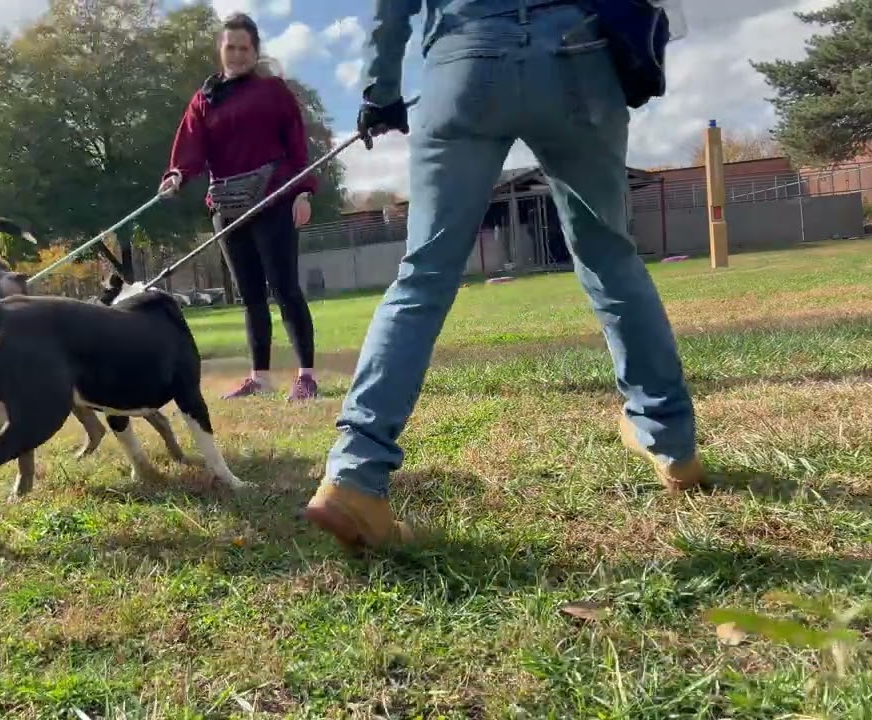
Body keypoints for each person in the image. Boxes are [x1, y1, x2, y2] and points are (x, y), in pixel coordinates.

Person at [302, 0, 704, 551]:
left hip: (463, 61)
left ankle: (354, 472)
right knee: (611, 257)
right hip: (576, 54)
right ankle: (672, 443)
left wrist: (380, 89)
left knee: (422, 277)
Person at [159, 12, 320, 403]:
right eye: (229, 47)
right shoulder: (203, 100)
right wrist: (178, 174)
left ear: (255, 51)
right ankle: (260, 378)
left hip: (274, 198)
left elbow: (298, 148)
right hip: (226, 208)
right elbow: (191, 150)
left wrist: (304, 192)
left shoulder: (274, 92)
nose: (236, 54)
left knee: (285, 289)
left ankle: (306, 377)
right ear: (220, 49)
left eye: (243, 48)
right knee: (249, 296)